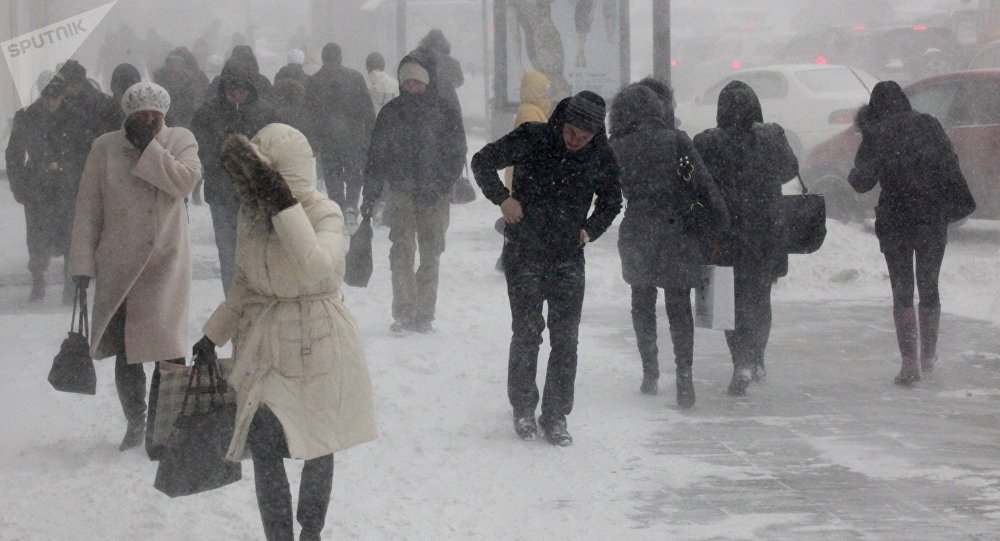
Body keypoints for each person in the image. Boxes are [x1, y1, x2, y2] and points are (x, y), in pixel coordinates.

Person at [195, 124, 376, 541]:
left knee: (318, 443)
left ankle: (310, 529)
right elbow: (243, 281)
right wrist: (212, 334)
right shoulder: (250, 215)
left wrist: (283, 205)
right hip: (265, 346)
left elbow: (317, 267)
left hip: (319, 340)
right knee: (264, 443)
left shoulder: (324, 211)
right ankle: (278, 536)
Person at [471, 91, 622, 445]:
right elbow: (482, 161)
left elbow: (613, 200)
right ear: (562, 121)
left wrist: (590, 230)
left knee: (565, 340)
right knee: (527, 333)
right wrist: (503, 199)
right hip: (525, 251)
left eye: (584, 138)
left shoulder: (601, 154)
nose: (575, 141)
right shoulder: (533, 137)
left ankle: (555, 415)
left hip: (569, 256)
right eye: (571, 132)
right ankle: (523, 408)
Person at [68, 82, 202, 450]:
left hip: (165, 261)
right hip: (120, 261)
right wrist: (81, 262)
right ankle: (136, 421)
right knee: (127, 351)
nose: (148, 120)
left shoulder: (181, 139)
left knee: (168, 351)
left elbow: (184, 181)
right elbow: (88, 209)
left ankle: (162, 427)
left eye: (155, 115)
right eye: (140, 116)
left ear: (165, 115)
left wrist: (150, 148)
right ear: (127, 117)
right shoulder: (104, 147)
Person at [609, 83, 729, 406]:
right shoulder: (676, 142)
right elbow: (701, 184)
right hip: (676, 233)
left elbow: (606, 190)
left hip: (637, 233)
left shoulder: (616, 147)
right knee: (678, 306)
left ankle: (650, 372)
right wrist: (719, 225)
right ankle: (685, 377)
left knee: (642, 302)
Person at [848, 81, 974, 386]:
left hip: (897, 218)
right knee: (929, 285)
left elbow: (862, 182)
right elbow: (949, 163)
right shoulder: (928, 124)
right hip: (931, 216)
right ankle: (929, 356)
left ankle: (909, 365)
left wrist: (860, 164)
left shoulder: (877, 133)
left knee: (902, 292)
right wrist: (955, 201)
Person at [693, 81, 798, 396]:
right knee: (760, 297)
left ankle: (741, 361)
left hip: (725, 234)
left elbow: (689, 177)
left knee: (730, 301)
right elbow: (790, 169)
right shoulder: (772, 137)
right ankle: (757, 359)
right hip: (767, 232)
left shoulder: (706, 143)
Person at [360, 50, 467, 333]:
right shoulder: (391, 113)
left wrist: (441, 184)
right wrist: (370, 195)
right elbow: (376, 156)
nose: (413, 88)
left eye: (417, 83)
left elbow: (456, 153)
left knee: (431, 253)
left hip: (435, 195)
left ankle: (425, 313)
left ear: (427, 82)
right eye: (408, 83)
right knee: (401, 250)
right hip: (402, 193)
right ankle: (404, 310)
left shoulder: (444, 112)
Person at [192, 58, 279, 295]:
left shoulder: (265, 113)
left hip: (257, 195)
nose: (237, 96)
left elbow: (278, 148)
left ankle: (255, 299)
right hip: (221, 193)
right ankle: (233, 302)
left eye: (241, 91)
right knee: (228, 252)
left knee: (257, 251)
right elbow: (199, 150)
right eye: (232, 91)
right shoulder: (207, 114)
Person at [5, 73, 90, 302]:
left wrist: (81, 181)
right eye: (47, 96)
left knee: (70, 236)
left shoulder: (76, 117)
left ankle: (69, 287)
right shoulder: (26, 117)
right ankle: (38, 281)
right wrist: (19, 186)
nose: (51, 101)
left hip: (67, 187)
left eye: (57, 96)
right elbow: (14, 155)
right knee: (36, 237)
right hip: (37, 188)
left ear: (64, 95)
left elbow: (85, 152)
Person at [305, 42, 376, 229]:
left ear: (323, 58)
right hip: (353, 136)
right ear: (341, 56)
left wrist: (313, 139)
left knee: (332, 174)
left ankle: (337, 206)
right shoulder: (355, 77)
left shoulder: (314, 81)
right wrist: (370, 133)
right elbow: (367, 109)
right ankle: (351, 206)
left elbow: (309, 113)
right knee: (354, 173)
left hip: (327, 137)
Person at [58, 59, 122, 139]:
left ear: (82, 82)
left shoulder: (104, 103)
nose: (70, 88)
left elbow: (115, 130)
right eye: (66, 84)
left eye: (74, 83)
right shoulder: (59, 105)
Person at [416, 29, 464, 115]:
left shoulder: (420, 61)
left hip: (425, 103)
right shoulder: (452, 62)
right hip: (449, 102)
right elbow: (459, 81)